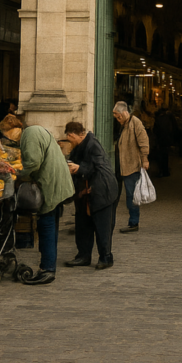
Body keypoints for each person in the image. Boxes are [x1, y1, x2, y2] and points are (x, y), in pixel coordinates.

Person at [16, 124, 75, 285]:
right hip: (57, 183)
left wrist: (18, 175)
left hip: (50, 184)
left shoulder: (30, 133)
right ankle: (48, 266)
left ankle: (47, 269)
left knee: (46, 224)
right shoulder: (36, 131)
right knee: (51, 224)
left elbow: (33, 163)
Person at [63, 121, 119, 270]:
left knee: (102, 227)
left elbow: (98, 167)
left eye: (69, 138)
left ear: (72, 135)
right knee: (83, 226)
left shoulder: (93, 145)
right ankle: (83, 255)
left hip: (102, 192)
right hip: (86, 193)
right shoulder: (79, 147)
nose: (69, 141)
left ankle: (106, 257)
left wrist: (79, 168)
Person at [113, 101, 150, 233]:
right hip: (122, 165)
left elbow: (143, 142)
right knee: (123, 194)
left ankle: (133, 222)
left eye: (118, 117)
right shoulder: (123, 125)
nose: (117, 120)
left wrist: (145, 159)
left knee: (131, 195)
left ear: (124, 113)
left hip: (132, 165)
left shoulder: (135, 123)